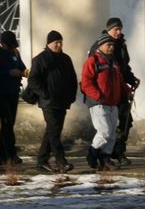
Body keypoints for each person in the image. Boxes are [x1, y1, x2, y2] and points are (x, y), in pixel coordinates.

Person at [26, 30, 78, 173]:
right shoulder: (40, 59)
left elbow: (72, 79)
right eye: (56, 42)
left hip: (62, 101)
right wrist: (45, 94)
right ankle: (61, 162)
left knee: (52, 131)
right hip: (48, 102)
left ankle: (42, 160)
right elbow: (33, 80)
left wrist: (72, 95)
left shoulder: (65, 59)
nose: (59, 45)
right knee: (54, 132)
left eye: (61, 42)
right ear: (49, 43)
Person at [81, 33, 126, 171]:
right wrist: (98, 95)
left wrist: (127, 90)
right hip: (98, 103)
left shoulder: (113, 62)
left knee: (112, 134)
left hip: (112, 102)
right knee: (104, 131)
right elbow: (86, 83)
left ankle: (105, 159)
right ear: (100, 46)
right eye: (109, 45)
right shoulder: (92, 61)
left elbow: (119, 80)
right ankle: (92, 153)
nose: (111, 47)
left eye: (113, 45)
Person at [0, 30, 25, 165]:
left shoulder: (15, 53)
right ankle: (10, 154)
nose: (12, 47)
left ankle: (1, 154)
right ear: (3, 43)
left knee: (9, 124)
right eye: (10, 45)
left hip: (14, 92)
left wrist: (24, 72)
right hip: (1, 93)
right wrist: (8, 73)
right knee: (7, 123)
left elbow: (21, 66)